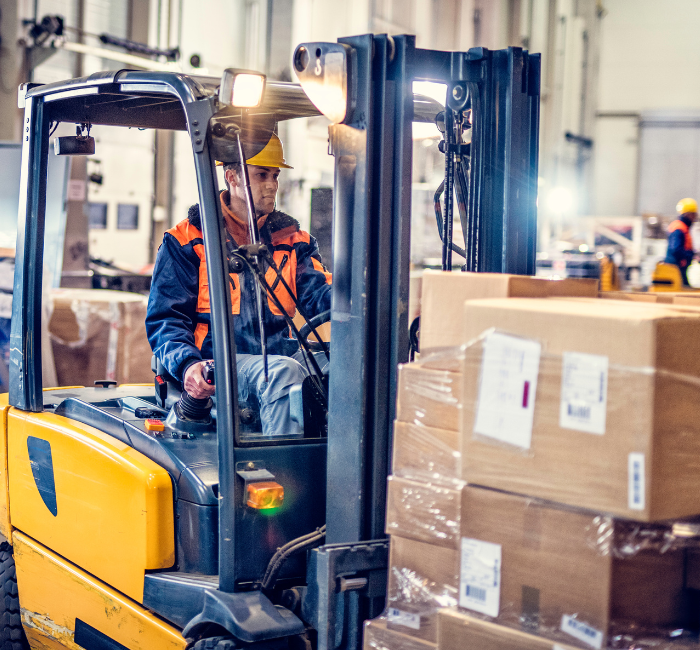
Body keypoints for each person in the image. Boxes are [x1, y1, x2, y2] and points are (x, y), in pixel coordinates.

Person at [146, 132, 332, 436]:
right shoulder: (187, 240)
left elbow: (318, 295)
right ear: (232, 176)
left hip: (277, 352)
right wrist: (187, 365)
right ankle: (285, 476)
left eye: (275, 175)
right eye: (261, 175)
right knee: (281, 374)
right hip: (216, 361)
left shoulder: (292, 239)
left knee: (343, 367)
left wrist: (359, 293)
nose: (272, 184)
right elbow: (165, 319)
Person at [665, 197, 698, 287]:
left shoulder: (683, 227)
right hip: (675, 268)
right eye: (693, 215)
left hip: (679, 267)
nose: (694, 218)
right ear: (688, 214)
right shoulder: (679, 228)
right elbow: (675, 249)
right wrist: (691, 255)